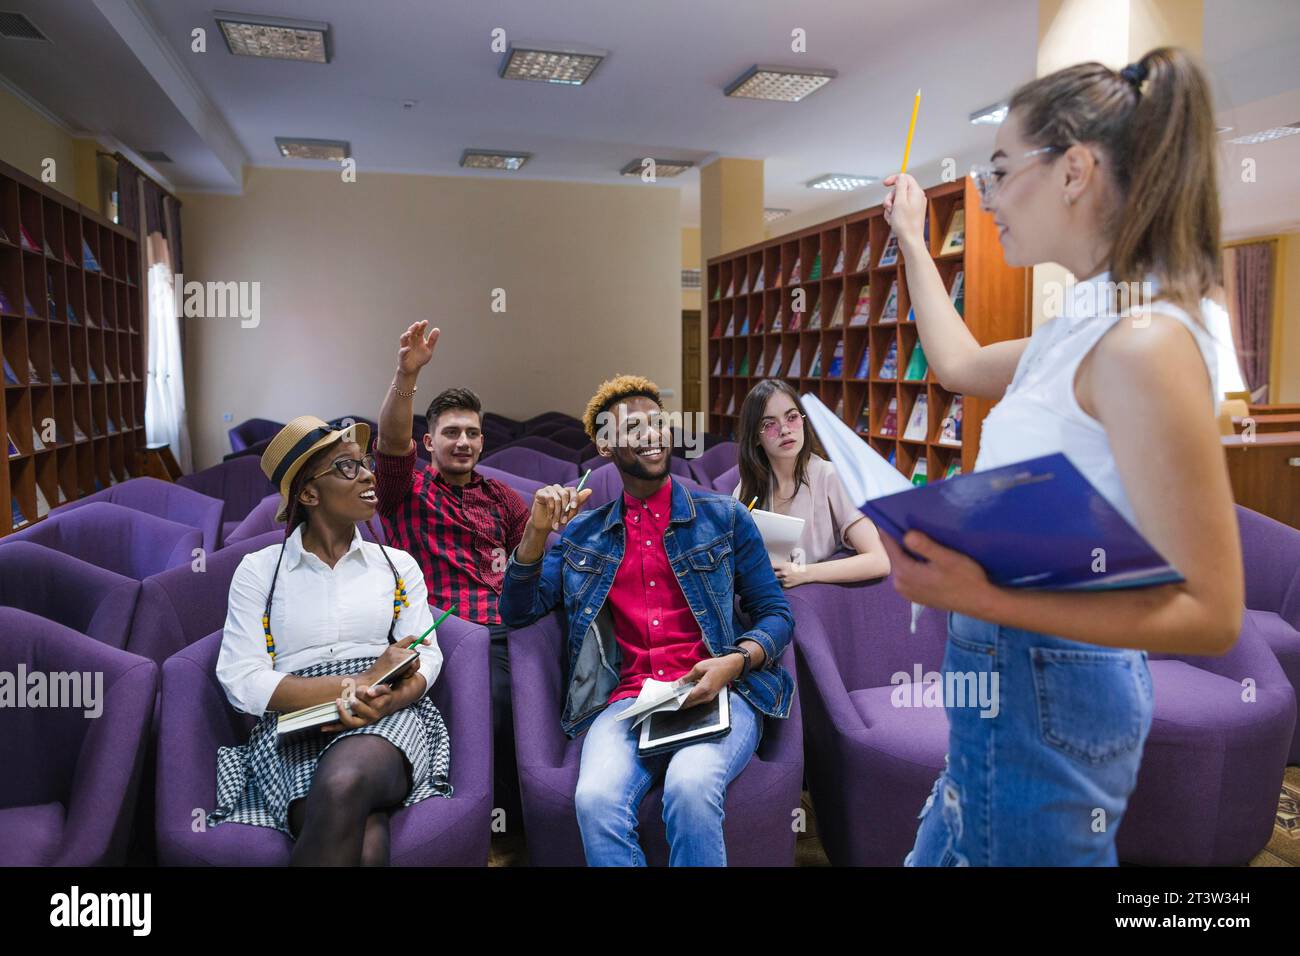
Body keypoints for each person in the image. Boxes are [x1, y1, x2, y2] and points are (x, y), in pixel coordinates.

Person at [881, 47, 1243, 866]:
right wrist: (909, 238)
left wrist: (982, 595)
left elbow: (1214, 613)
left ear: (1075, 169)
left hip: (1049, 686)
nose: (988, 197)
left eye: (1001, 172)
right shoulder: (1078, 327)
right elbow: (959, 365)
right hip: (1003, 682)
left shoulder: (1146, 344)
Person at [498, 374, 795, 866]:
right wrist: (534, 535)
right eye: (634, 428)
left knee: (691, 786)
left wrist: (734, 663)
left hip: (718, 690)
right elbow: (518, 610)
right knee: (594, 801)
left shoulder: (723, 517)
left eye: (658, 423)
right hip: (626, 702)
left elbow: (776, 613)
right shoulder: (584, 535)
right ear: (605, 445)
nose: (653, 434)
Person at [212, 416, 451, 865]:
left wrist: (382, 697)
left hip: (387, 714)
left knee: (342, 782)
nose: (366, 475)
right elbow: (241, 678)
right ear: (308, 494)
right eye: (346, 467)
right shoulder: (259, 570)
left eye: (364, 464)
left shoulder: (398, 565)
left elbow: (426, 654)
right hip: (296, 722)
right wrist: (354, 684)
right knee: (365, 837)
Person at [372, 322, 531, 831]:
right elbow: (391, 441)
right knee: (494, 706)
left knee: (538, 695)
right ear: (430, 440)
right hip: (442, 633)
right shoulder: (405, 491)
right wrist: (406, 373)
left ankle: (535, 815)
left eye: (472, 432)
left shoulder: (502, 498)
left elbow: (531, 562)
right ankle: (480, 821)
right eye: (451, 432)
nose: (463, 442)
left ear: (483, 440)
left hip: (506, 627)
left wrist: (553, 526)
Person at [731, 378, 890, 586]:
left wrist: (803, 572)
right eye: (770, 424)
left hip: (814, 604)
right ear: (755, 438)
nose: (785, 430)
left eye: (792, 417)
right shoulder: (749, 486)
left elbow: (879, 560)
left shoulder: (831, 476)